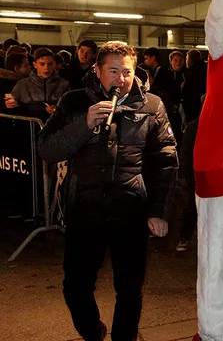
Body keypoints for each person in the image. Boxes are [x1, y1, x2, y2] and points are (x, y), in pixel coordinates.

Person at [37, 41, 178, 341]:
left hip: (130, 208)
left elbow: (165, 160)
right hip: (84, 208)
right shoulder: (74, 102)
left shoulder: (151, 105)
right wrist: (85, 125)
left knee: (130, 287)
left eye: (126, 72)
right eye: (112, 71)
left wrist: (158, 211)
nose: (120, 79)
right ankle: (93, 331)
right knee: (75, 286)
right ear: (97, 71)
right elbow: (46, 148)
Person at [4, 47, 70, 120]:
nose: (46, 68)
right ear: (35, 65)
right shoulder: (22, 84)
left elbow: (70, 106)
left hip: (56, 126)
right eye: (42, 64)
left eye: (50, 64)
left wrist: (57, 108)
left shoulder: (64, 84)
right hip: (29, 127)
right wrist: (12, 104)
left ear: (54, 64)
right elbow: (11, 108)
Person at [181, 49, 207, 123]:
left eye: (186, 58)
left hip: (192, 107)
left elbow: (187, 92)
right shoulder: (205, 70)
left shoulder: (192, 73)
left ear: (190, 60)